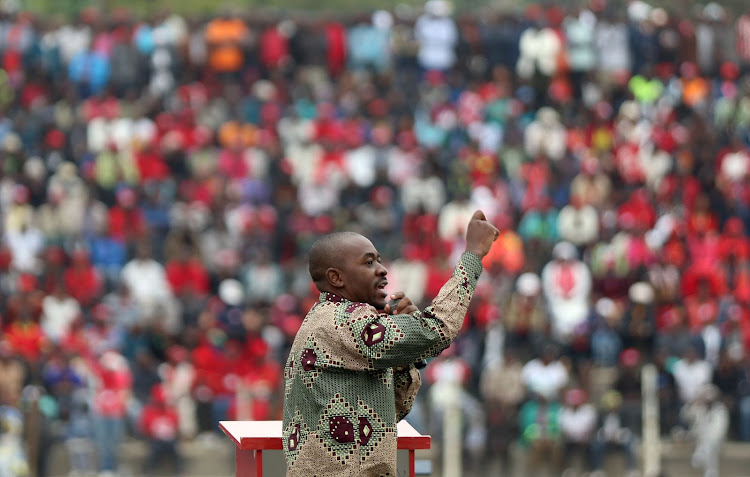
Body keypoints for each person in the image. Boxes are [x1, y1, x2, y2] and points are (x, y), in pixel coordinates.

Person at [282, 210, 498, 476]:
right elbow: (437, 330)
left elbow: (394, 409)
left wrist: (406, 344)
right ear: (336, 278)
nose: (382, 270)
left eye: (379, 261)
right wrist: (473, 256)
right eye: (369, 262)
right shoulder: (344, 320)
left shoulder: (333, 320)